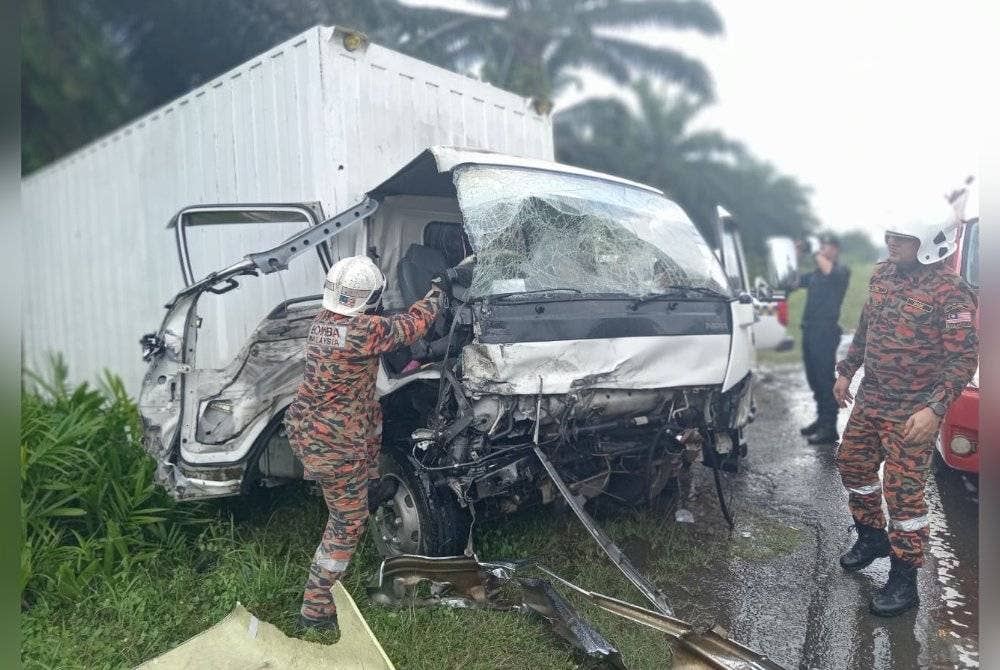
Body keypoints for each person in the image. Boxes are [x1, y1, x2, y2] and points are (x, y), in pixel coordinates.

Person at [283, 255, 445, 634]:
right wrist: (437, 291)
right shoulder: (362, 331)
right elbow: (411, 326)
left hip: (318, 425)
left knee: (372, 423)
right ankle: (315, 608)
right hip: (335, 441)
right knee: (346, 523)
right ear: (370, 297)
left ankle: (367, 490)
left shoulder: (323, 323)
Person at [833, 219, 977, 617]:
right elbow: (866, 327)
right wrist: (847, 370)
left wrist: (935, 410)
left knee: (903, 494)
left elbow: (963, 358)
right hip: (871, 399)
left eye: (901, 238)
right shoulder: (882, 274)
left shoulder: (952, 292)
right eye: (889, 235)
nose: (889, 242)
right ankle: (871, 535)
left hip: (913, 412)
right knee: (852, 465)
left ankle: (904, 579)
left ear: (929, 243)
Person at [796, 233, 850, 444]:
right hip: (809, 330)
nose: (822, 249)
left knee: (824, 378)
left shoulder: (840, 272)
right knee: (813, 379)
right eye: (821, 246)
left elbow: (829, 269)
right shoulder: (816, 274)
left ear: (835, 249)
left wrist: (815, 249)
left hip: (825, 332)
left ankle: (830, 427)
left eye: (826, 246)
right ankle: (821, 419)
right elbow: (790, 280)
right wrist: (797, 254)